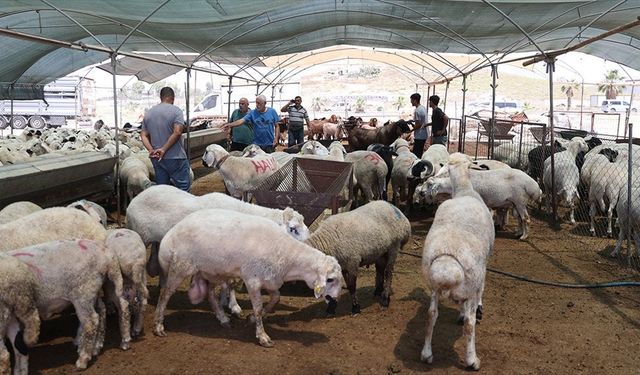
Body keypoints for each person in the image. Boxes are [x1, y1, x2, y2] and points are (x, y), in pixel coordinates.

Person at [140, 87, 191, 192]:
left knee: (162, 190)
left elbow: (143, 135)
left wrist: (151, 150)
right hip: (175, 157)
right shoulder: (176, 111)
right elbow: (177, 132)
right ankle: (182, 208)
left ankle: (164, 207)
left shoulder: (149, 113)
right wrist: (163, 149)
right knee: (183, 189)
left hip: (157, 158)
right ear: (173, 98)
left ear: (161, 97)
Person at [410, 93, 428, 158]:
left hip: (419, 135)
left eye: (411, 100)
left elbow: (418, 125)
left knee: (416, 154)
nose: (411, 102)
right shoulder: (423, 108)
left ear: (415, 100)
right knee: (419, 152)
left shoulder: (417, 111)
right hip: (424, 134)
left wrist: (410, 130)